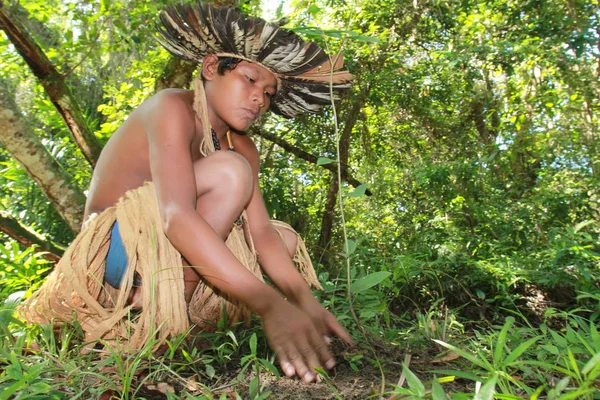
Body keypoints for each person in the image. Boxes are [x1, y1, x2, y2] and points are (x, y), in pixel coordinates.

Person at [18, 2, 353, 384]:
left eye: (269, 93)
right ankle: (154, 329)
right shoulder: (171, 107)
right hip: (114, 256)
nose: (260, 99)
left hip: (170, 255)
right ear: (211, 68)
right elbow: (176, 215)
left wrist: (303, 300)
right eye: (249, 80)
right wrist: (268, 303)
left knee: (283, 239)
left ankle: (187, 330)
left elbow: (259, 234)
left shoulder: (242, 146)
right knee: (229, 173)